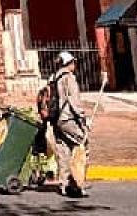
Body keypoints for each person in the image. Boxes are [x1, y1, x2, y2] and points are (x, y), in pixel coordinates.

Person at [47, 50, 91, 198]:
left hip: (56, 120)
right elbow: (74, 101)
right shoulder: (69, 78)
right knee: (82, 145)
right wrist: (82, 118)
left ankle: (64, 184)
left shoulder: (53, 77)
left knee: (63, 151)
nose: (74, 65)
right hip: (68, 118)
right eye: (73, 62)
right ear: (69, 63)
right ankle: (78, 183)